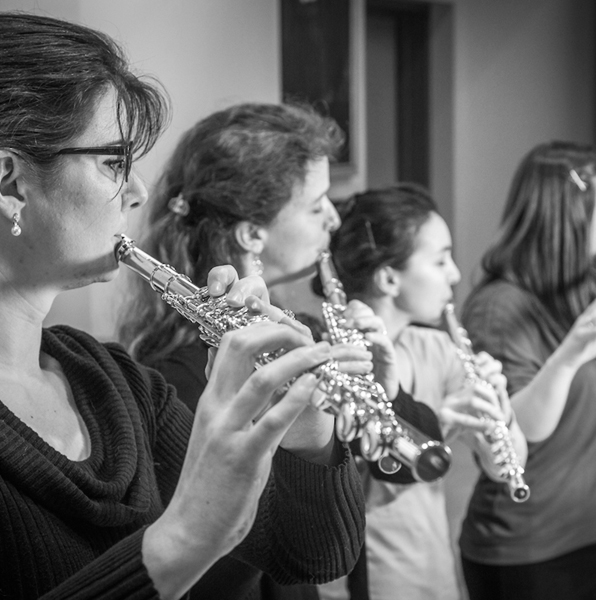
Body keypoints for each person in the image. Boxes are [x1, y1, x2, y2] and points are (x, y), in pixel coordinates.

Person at [0, 13, 367, 599]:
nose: (141, 192)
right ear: (10, 181)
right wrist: (182, 539)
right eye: (113, 163)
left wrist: (304, 424)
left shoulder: (117, 383)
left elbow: (312, 554)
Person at [117, 104, 445, 599]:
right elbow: (261, 550)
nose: (335, 217)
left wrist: (385, 392)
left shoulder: (305, 330)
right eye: (316, 206)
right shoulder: (173, 381)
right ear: (252, 234)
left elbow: (401, 459)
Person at [317, 184, 527, 600]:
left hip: (432, 574)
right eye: (440, 259)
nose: (454, 273)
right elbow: (341, 482)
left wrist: (499, 411)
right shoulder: (331, 356)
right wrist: (439, 426)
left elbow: (507, 469)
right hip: (358, 582)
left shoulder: (436, 348)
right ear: (390, 277)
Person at [459, 141, 596, 600]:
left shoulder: (585, 283)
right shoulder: (500, 308)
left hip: (586, 527)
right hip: (529, 547)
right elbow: (520, 431)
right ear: (570, 213)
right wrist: (571, 352)